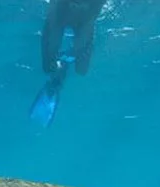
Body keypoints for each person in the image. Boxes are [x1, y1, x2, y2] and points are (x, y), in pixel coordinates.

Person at [29, 0, 108, 128]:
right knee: (48, 66)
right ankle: (57, 75)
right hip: (60, 13)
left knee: (81, 70)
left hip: (84, 17)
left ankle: (63, 66)